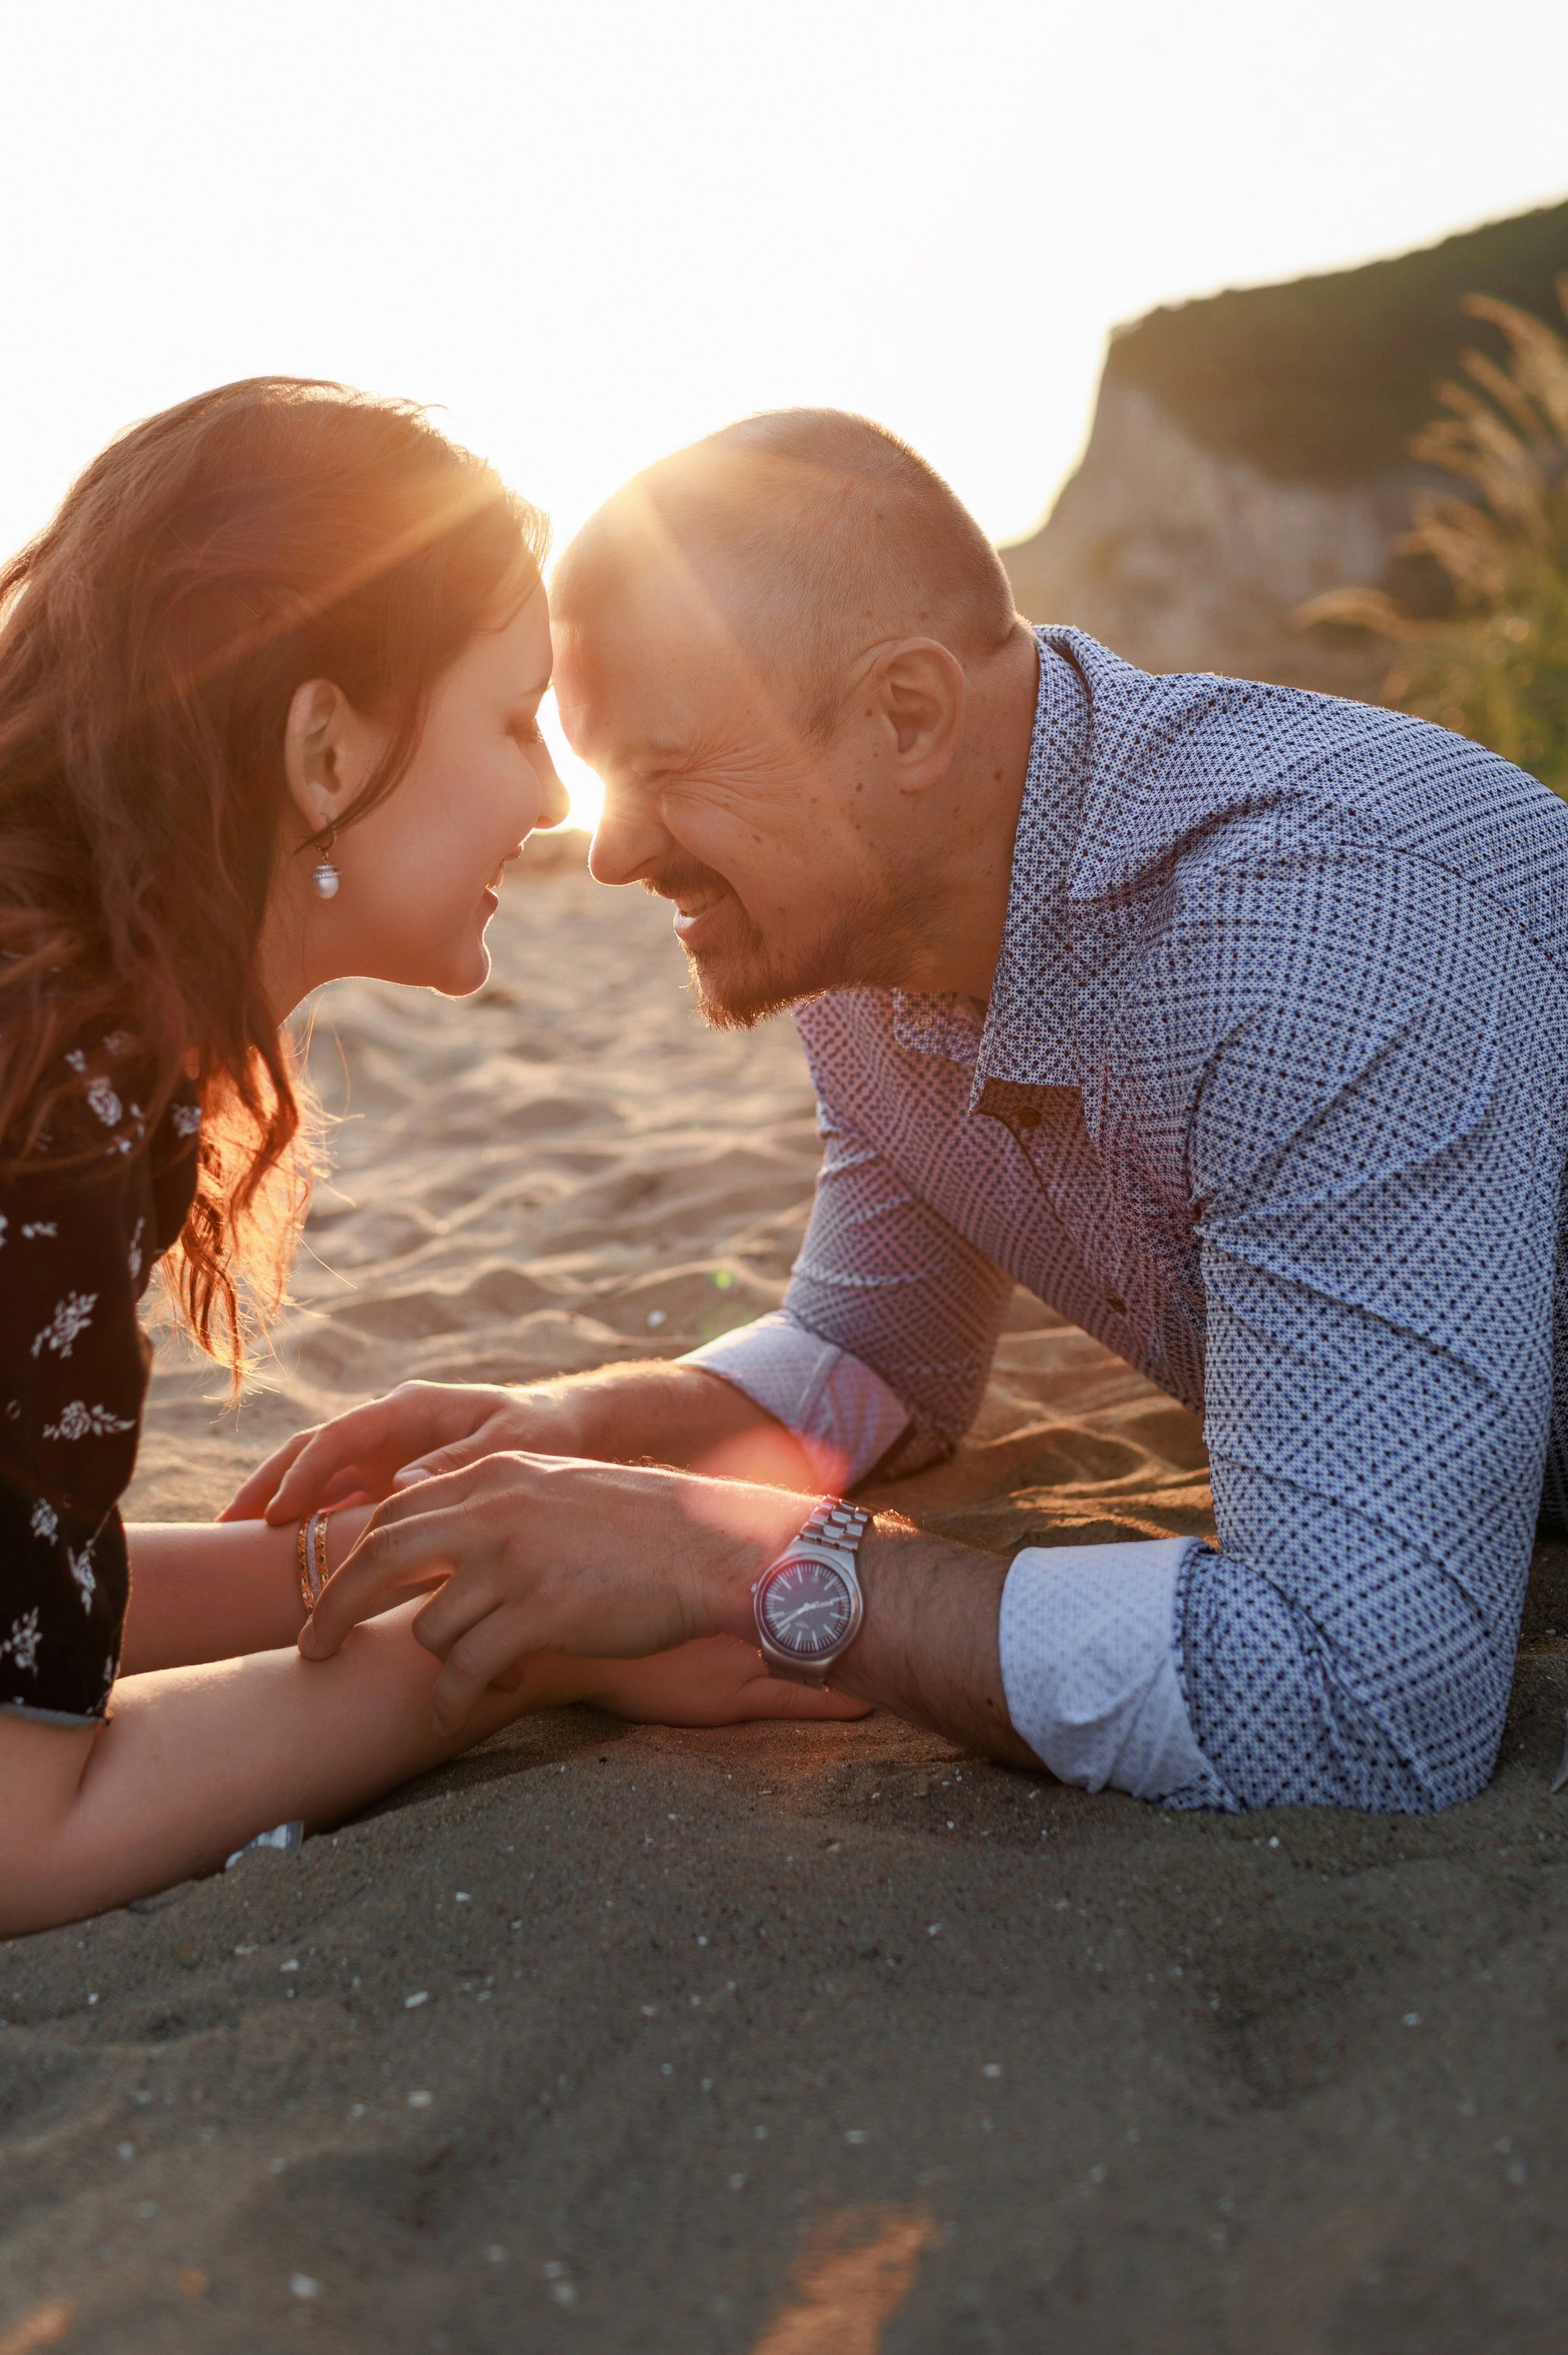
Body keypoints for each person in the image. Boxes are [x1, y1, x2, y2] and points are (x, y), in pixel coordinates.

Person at [238, 406, 1568, 1819]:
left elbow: (1360, 1712)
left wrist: (725, 1562)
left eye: (665, 771)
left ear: (906, 718)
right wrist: (569, 1429)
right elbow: (878, 1361)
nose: (613, 850)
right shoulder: (872, 948)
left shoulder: (1302, 954)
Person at [0, 382, 860, 1953]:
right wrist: (501, 1646)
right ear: (321, 746)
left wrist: (359, 1566)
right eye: (509, 720)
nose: (554, 799)